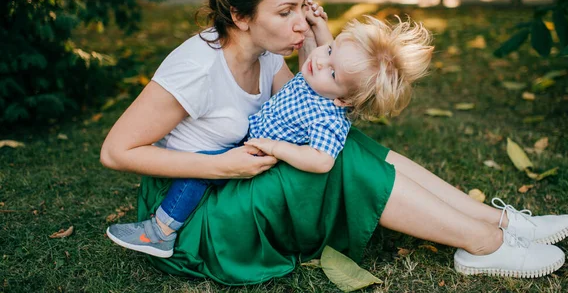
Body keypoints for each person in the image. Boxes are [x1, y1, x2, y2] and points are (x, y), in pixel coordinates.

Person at [100, 0, 568, 284]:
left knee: (345, 138)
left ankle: (499, 222)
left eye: (302, 7)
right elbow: (117, 152)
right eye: (285, 13)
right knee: (338, 160)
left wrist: (335, 59)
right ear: (240, 16)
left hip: (235, 178)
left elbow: (307, 103)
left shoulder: (267, 54)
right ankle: (483, 244)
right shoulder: (196, 68)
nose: (301, 26)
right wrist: (224, 167)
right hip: (189, 212)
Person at [106, 14, 434, 258]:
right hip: (254, 141)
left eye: (331, 70)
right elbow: (320, 60)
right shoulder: (320, 83)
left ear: (343, 101)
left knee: (199, 172)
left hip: (259, 157)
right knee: (203, 169)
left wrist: (278, 148)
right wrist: (322, 31)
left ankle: (161, 231)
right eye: (329, 50)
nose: (320, 62)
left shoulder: (328, 117)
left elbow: (321, 160)